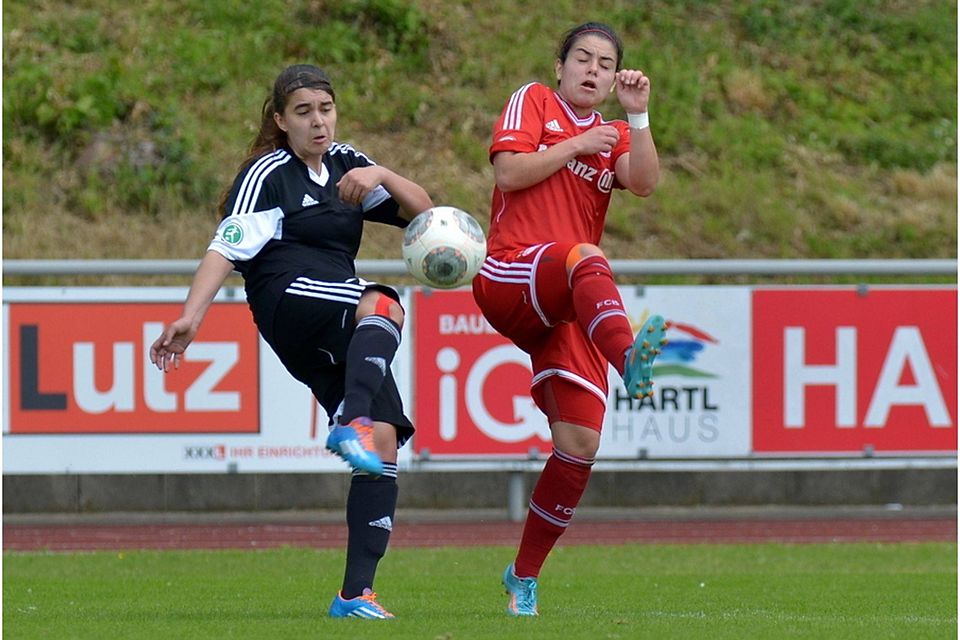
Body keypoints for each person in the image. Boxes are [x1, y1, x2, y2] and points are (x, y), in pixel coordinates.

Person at [149, 64, 433, 620]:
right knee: (385, 303)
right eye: (303, 112)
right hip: (287, 298)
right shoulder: (269, 172)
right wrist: (191, 316)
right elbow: (225, 247)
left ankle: (354, 595)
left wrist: (381, 174)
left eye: (325, 109)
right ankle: (348, 420)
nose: (318, 121)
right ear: (282, 121)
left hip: (333, 311)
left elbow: (427, 213)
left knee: (382, 442)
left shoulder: (350, 166)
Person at [471, 22, 668, 616]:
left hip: (569, 303)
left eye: (605, 65)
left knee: (579, 444)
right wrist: (576, 146)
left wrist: (637, 119)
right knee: (587, 255)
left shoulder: (614, 133)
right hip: (511, 272)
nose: (592, 69)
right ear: (559, 66)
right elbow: (508, 173)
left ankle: (522, 576)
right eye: (582, 57)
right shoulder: (534, 100)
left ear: (613, 81)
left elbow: (644, 184)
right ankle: (628, 357)